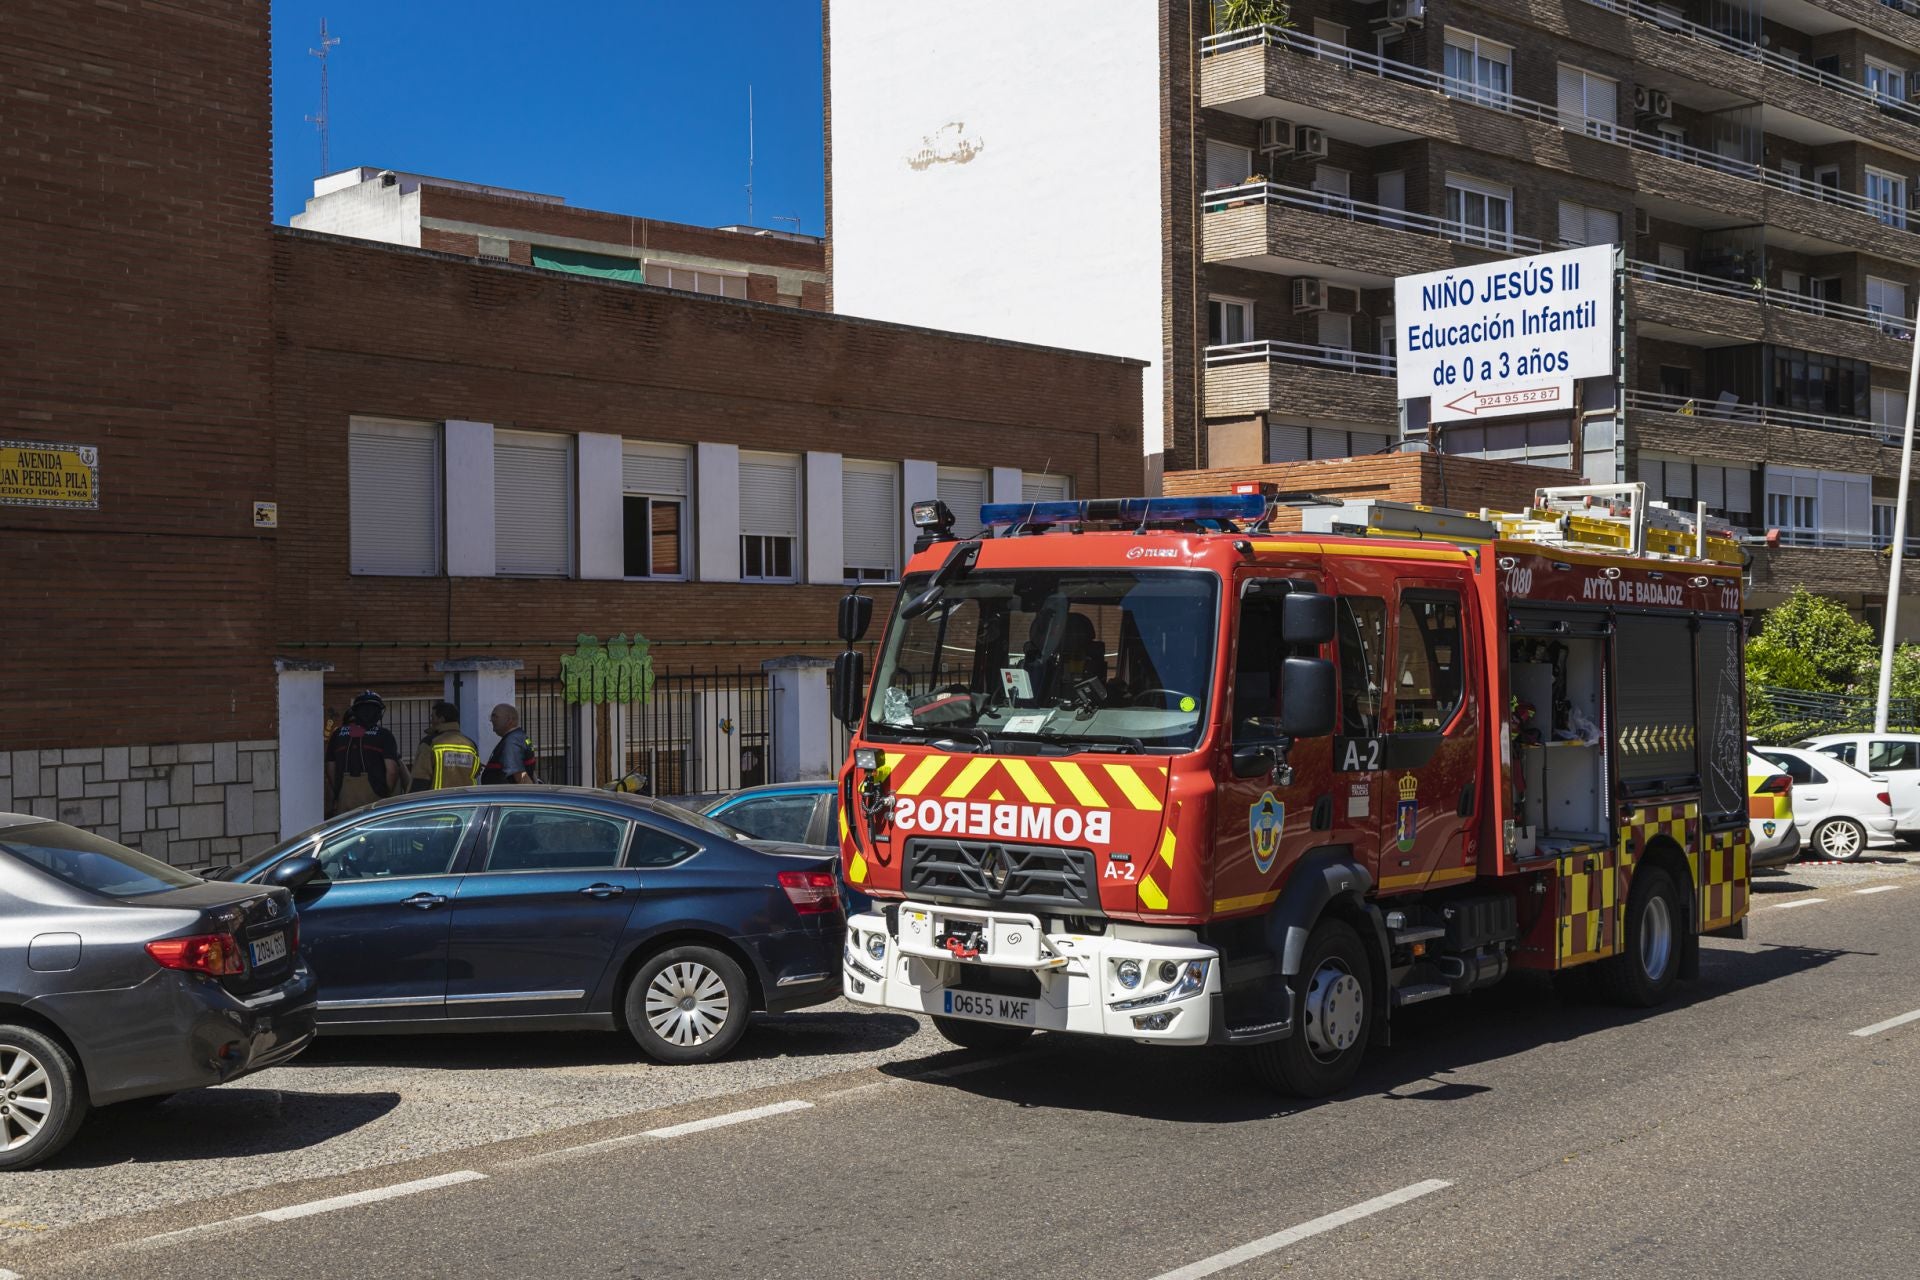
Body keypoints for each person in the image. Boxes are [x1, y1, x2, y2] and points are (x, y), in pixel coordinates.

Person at [326, 690, 402, 816]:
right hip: (375, 800)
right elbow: (392, 770)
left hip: (345, 798)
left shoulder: (338, 734)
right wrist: (385, 792)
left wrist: (339, 790)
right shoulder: (384, 735)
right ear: (379, 713)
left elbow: (330, 768)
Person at [410, 701, 480, 792]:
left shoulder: (430, 743)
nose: (431, 720)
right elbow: (475, 773)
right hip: (466, 801)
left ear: (441, 719)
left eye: (432, 717)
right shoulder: (471, 745)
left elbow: (420, 779)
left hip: (438, 802)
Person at [480, 703, 538, 784]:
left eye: (495, 716)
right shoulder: (518, 737)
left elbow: (522, 778)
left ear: (509, 720)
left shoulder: (512, 741)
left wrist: (532, 795)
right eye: (491, 716)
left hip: (505, 796)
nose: (491, 719)